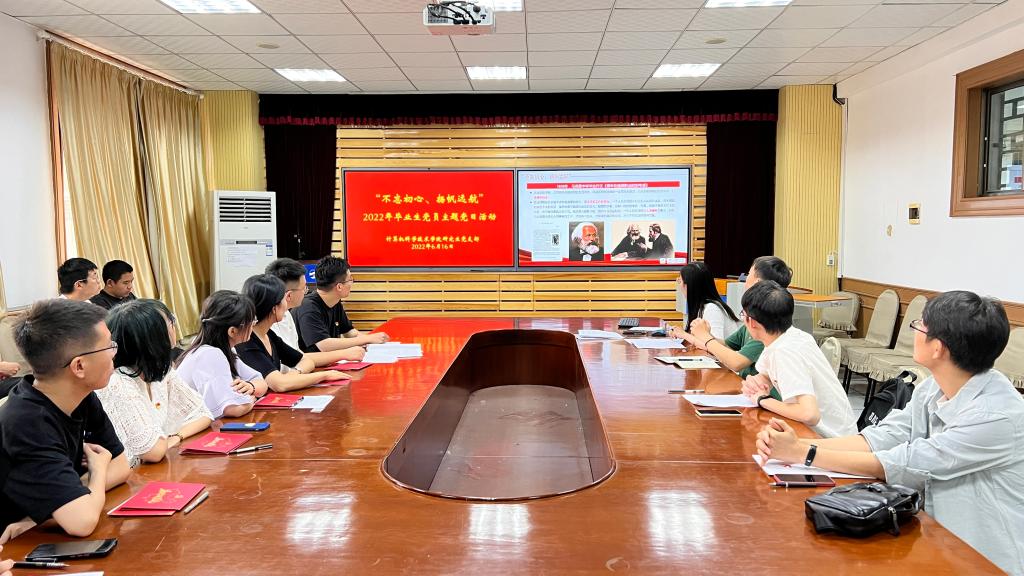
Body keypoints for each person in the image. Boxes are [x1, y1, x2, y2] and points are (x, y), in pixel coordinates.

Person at [756, 291, 1024, 574]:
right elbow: (884, 436)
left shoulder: (996, 416)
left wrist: (804, 453)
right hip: (936, 537)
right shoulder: (933, 387)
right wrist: (795, 444)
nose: (915, 330)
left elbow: (908, 463)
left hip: (984, 557)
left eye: (920, 325)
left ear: (938, 348)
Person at [0, 299, 129, 543]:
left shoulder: (82, 396)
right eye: (108, 347)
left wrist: (62, 505)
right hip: (15, 548)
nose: (114, 353)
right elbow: (82, 522)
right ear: (79, 366)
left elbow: (121, 467)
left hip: (38, 529)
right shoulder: (26, 422)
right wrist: (97, 471)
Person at [96, 300, 213, 468]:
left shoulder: (160, 372)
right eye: (170, 321)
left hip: (156, 468)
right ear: (153, 337)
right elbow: (153, 451)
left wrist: (175, 437)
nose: (174, 326)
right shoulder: (118, 383)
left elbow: (203, 414)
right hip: (130, 477)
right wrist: (167, 442)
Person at [738, 280, 856, 438]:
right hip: (826, 433)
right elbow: (766, 376)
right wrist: (755, 383)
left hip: (830, 440)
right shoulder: (788, 336)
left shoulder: (785, 351)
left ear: (751, 322)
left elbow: (809, 414)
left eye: (743, 315)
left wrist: (763, 400)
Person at [238, 275, 363, 392]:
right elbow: (280, 384)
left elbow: (306, 361)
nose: (286, 302)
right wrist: (324, 375)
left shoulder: (268, 334)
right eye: (283, 299)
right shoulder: (246, 341)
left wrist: (294, 373)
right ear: (274, 308)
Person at [686, 256, 793, 380]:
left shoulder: (768, 325)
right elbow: (727, 345)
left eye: (748, 274)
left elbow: (736, 363)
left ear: (757, 283)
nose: (745, 279)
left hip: (755, 388)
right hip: (749, 385)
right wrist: (706, 334)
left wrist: (706, 337)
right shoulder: (754, 318)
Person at [175, 291, 268, 419]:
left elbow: (261, 382)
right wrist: (251, 399)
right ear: (232, 331)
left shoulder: (225, 350)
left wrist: (251, 387)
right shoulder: (209, 355)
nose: (253, 325)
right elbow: (232, 410)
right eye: (251, 322)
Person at [292, 257, 389, 353]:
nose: (352, 283)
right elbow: (324, 345)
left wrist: (370, 340)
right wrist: (366, 339)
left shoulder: (335, 302)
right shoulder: (307, 307)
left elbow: (349, 332)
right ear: (339, 287)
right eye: (350, 279)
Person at [668, 262, 741, 341]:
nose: (680, 285)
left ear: (688, 285)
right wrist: (681, 333)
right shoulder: (702, 306)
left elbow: (714, 345)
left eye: (680, 281)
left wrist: (684, 335)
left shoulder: (712, 309)